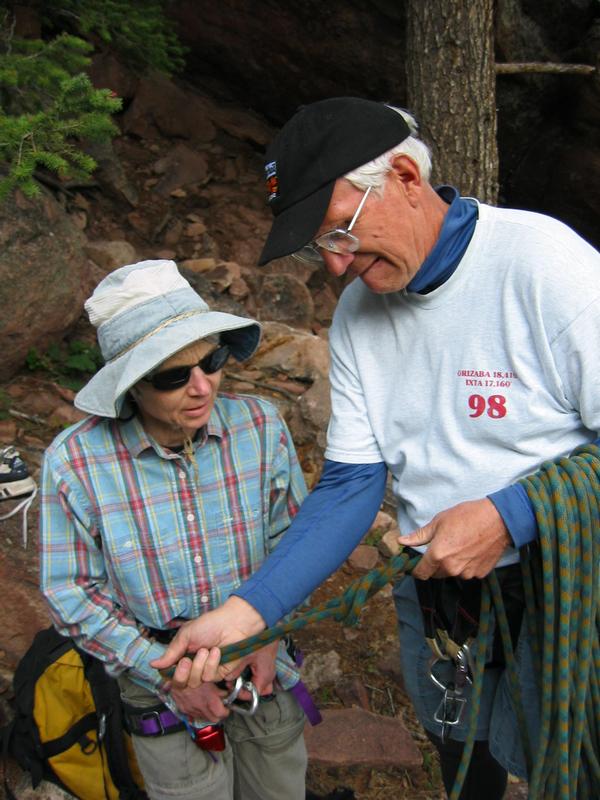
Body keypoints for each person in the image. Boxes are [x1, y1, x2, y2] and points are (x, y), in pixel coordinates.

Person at [151, 97, 600, 798]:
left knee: (570, 762)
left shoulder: (546, 267)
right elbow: (350, 485)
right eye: (319, 246)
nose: (335, 266)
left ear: (406, 179)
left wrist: (509, 516)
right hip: (442, 601)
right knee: (461, 754)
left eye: (339, 231)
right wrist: (247, 613)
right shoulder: (359, 316)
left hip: (563, 591)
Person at [39, 259, 308, 800]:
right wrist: (163, 674)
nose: (202, 386)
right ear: (131, 387)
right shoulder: (77, 463)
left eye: (212, 360)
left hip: (262, 662)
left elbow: (295, 543)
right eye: (172, 376)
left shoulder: (259, 427)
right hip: (152, 676)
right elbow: (71, 590)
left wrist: (268, 635)